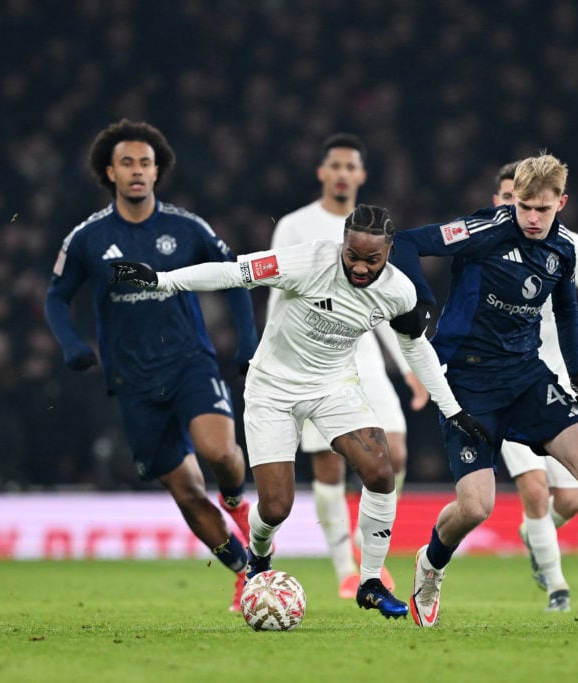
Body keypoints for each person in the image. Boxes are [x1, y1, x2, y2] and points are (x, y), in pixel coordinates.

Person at [109, 204, 490, 620]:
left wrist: (451, 409)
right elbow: (233, 271)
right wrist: (163, 280)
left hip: (333, 388)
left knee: (381, 470)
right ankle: (258, 558)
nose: (360, 267)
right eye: (352, 256)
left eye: (372, 259)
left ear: (389, 252)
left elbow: (415, 347)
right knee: (275, 508)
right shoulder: (307, 262)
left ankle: (370, 582)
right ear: (342, 244)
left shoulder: (399, 291)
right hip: (272, 388)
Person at [390, 153, 578, 628]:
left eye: (543, 208)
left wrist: (576, 374)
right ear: (512, 199)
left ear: (562, 202)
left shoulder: (565, 250)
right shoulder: (481, 230)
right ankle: (431, 565)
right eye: (524, 207)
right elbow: (407, 244)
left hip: (526, 378)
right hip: (467, 382)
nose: (533, 218)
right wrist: (422, 303)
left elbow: (569, 312)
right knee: (475, 507)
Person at [44, 119, 258, 612]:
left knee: (219, 450)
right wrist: (71, 345)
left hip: (189, 362)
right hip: (132, 380)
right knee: (184, 490)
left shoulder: (187, 228)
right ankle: (247, 572)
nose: (137, 171)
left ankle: (236, 503)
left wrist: (248, 343)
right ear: (110, 172)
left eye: (145, 162)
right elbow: (56, 297)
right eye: (127, 163)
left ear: (158, 171)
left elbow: (236, 277)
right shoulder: (87, 238)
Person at [268, 133, 427, 598]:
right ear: (322, 172)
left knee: (393, 452)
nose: (341, 173)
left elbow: (385, 305)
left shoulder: (374, 230)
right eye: (334, 165)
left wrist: (409, 368)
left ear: (361, 175)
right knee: (329, 467)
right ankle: (345, 568)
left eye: (349, 166)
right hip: (309, 355)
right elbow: (277, 294)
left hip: (364, 352)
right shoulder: (297, 225)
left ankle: (364, 546)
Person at [492, 161, 578, 613]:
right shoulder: (486, 247)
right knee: (533, 487)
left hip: (556, 381)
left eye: (535, 203)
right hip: (509, 380)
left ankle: (537, 536)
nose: (525, 211)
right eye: (511, 199)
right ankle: (557, 588)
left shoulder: (570, 248)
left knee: (571, 497)